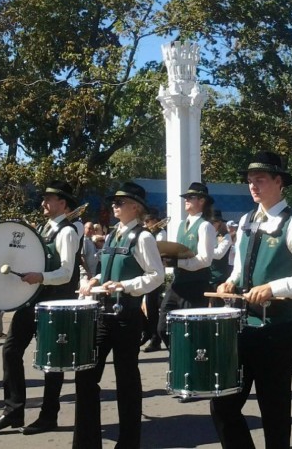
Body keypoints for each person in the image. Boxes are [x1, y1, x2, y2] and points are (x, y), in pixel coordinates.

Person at [210, 151, 292, 449]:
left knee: (273, 413)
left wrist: (274, 288)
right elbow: (240, 265)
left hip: (277, 329)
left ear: (279, 182)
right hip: (243, 327)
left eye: (260, 179)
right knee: (222, 405)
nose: (253, 185)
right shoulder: (247, 220)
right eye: (250, 180)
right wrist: (231, 281)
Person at [0, 181, 82, 434]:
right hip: (33, 299)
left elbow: (67, 273)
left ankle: (49, 416)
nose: (43, 203)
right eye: (44, 199)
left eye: (49, 199)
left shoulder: (67, 232)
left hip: (56, 302)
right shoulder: (42, 228)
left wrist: (41, 277)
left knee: (51, 362)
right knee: (11, 349)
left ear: (63, 204)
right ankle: (13, 410)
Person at [75, 182, 165, 449]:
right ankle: (87, 442)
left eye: (120, 202)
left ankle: (128, 443)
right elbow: (108, 271)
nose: (114, 205)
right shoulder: (114, 234)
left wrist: (126, 286)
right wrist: (95, 280)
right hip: (103, 315)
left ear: (136, 207)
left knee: (126, 381)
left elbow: (156, 276)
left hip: (126, 316)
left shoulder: (144, 237)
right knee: (86, 376)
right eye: (113, 202)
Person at [157, 181, 216, 348]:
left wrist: (176, 262)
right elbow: (178, 252)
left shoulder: (205, 226)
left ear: (202, 201)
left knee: (191, 333)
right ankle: (177, 355)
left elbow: (205, 260)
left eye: (191, 197)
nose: (186, 200)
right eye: (186, 197)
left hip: (196, 285)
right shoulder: (182, 224)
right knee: (163, 327)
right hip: (178, 283)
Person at [139, 208, 167, 352]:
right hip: (144, 273)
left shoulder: (161, 234)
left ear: (155, 222)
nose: (145, 224)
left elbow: (157, 250)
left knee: (152, 307)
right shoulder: (148, 233)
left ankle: (155, 339)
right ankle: (148, 332)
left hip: (156, 275)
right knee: (148, 307)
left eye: (147, 222)